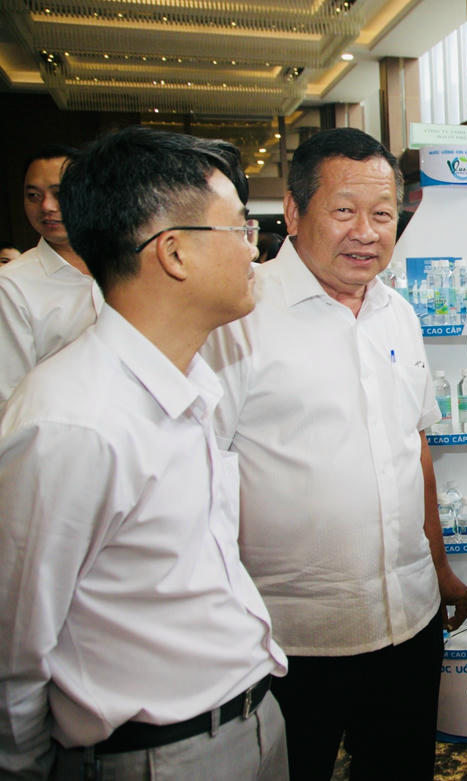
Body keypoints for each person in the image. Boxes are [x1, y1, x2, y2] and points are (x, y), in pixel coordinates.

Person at [0, 126, 287, 780]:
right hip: (157, 756)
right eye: (239, 228)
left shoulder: (190, 383)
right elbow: (14, 653)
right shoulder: (71, 423)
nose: (254, 248)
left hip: (251, 722)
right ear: (174, 252)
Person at [202, 128, 467, 780]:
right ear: (294, 212)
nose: (366, 233)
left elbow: (414, 447)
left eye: (382, 214)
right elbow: (200, 477)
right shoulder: (237, 317)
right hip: (289, 638)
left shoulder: (397, 313)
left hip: (409, 621)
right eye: (344, 210)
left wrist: (438, 565)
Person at [0, 145, 103, 411]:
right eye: (33, 196)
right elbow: (9, 396)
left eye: (60, 193)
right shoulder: (11, 285)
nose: (46, 206)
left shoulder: (128, 264)